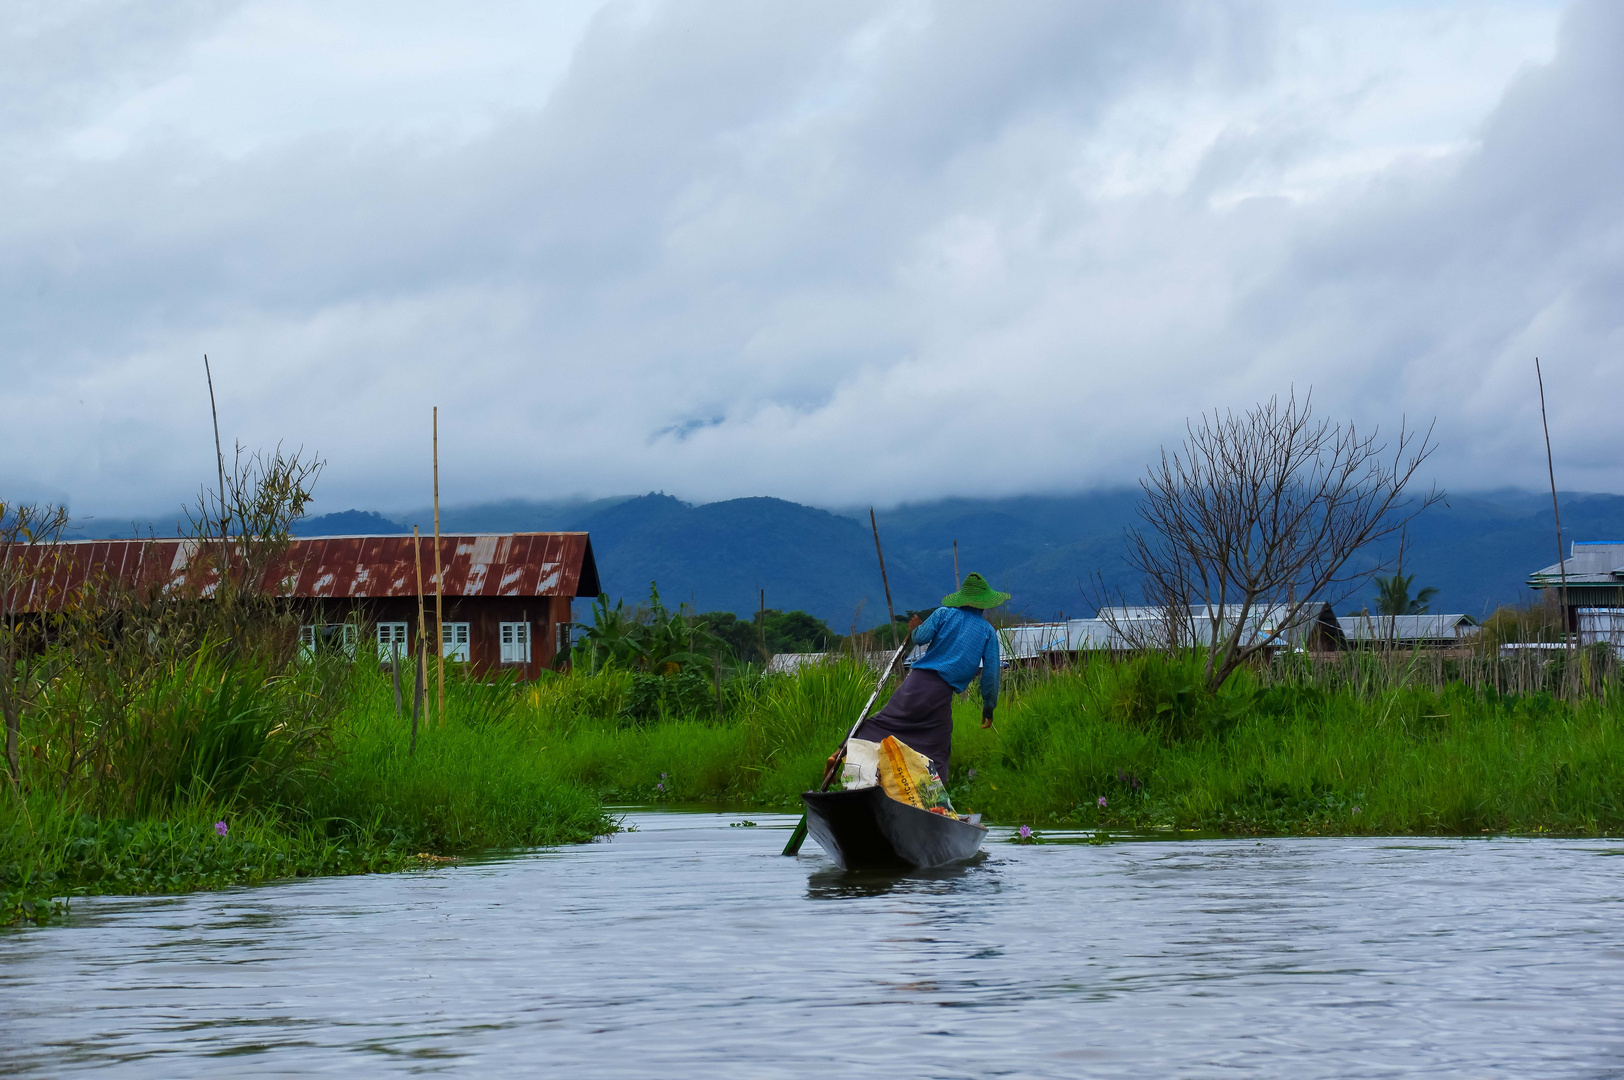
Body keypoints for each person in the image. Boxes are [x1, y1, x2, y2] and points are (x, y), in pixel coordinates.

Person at [844, 572, 1008, 781]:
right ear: (984, 605)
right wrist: (989, 707)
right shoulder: (987, 632)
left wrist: (914, 629)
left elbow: (921, 637)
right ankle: (935, 797)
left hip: (915, 682)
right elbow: (991, 676)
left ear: (962, 600)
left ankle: (843, 750)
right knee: (937, 745)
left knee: (884, 723)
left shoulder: (943, 614)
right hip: (940, 692)